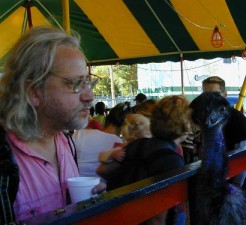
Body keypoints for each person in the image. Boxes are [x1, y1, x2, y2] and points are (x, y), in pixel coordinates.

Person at [0, 26, 106, 223]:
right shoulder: (4, 160)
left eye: (88, 83)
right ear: (33, 91)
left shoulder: (65, 141)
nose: (89, 96)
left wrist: (88, 205)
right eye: (75, 84)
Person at [101, 95, 191, 225]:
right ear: (183, 124)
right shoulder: (171, 160)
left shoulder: (138, 144)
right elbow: (157, 217)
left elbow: (106, 171)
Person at [201, 76, 246, 188]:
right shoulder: (207, 118)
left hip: (231, 185)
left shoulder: (237, 119)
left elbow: (243, 156)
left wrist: (236, 188)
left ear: (225, 94)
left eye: (216, 94)